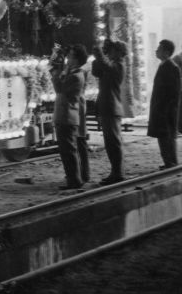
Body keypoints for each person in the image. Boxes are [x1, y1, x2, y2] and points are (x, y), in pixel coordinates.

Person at [50, 43, 89, 190]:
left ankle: (75, 180)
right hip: (65, 115)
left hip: (67, 116)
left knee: (69, 151)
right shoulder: (73, 73)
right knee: (67, 151)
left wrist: (54, 72)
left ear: (77, 59)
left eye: (70, 56)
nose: (67, 59)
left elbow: (59, 88)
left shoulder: (76, 76)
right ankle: (73, 179)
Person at [91, 39, 127, 184]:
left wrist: (100, 54)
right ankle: (115, 171)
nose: (109, 52)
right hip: (107, 107)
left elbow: (107, 66)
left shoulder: (119, 66)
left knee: (114, 142)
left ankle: (118, 172)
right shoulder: (111, 65)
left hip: (112, 108)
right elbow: (96, 71)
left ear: (118, 52)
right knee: (110, 142)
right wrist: (98, 56)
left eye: (112, 50)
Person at [148, 39, 181, 169]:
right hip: (160, 109)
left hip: (166, 111)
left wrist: (165, 110)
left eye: (159, 48)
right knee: (163, 137)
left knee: (167, 137)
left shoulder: (172, 67)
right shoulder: (163, 65)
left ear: (166, 52)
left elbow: (173, 93)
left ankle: (171, 163)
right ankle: (168, 163)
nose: (156, 50)